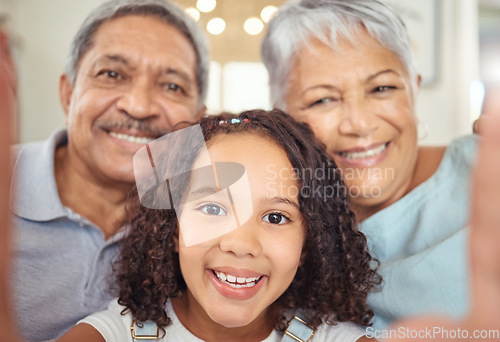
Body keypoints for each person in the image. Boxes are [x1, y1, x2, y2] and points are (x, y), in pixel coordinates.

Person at [58, 109, 380, 341]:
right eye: (212, 208)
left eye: (276, 217)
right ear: (173, 230)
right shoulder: (114, 334)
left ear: (308, 245)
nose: (240, 243)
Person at [262, 0, 475, 330]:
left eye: (382, 88)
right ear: (283, 116)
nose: (359, 124)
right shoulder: (273, 223)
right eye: (324, 99)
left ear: (413, 91)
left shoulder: (485, 168)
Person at [9, 0, 208, 340]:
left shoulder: (209, 222)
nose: (139, 106)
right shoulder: (5, 178)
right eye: (112, 74)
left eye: (172, 86)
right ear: (68, 94)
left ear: (198, 120)